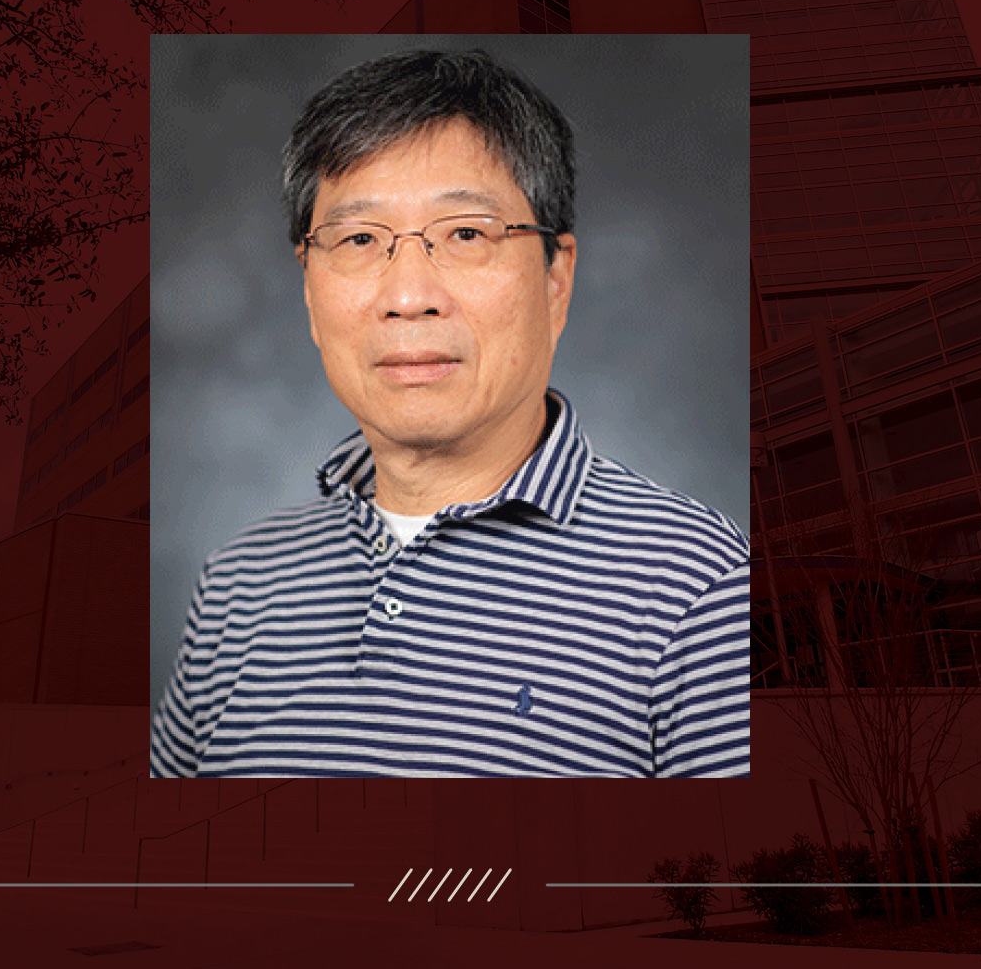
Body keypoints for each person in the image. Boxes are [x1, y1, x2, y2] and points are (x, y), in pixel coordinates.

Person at [149, 48, 748, 778]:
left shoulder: (699, 586)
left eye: (466, 234)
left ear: (556, 279)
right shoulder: (238, 583)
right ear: (308, 291)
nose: (408, 295)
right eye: (359, 240)